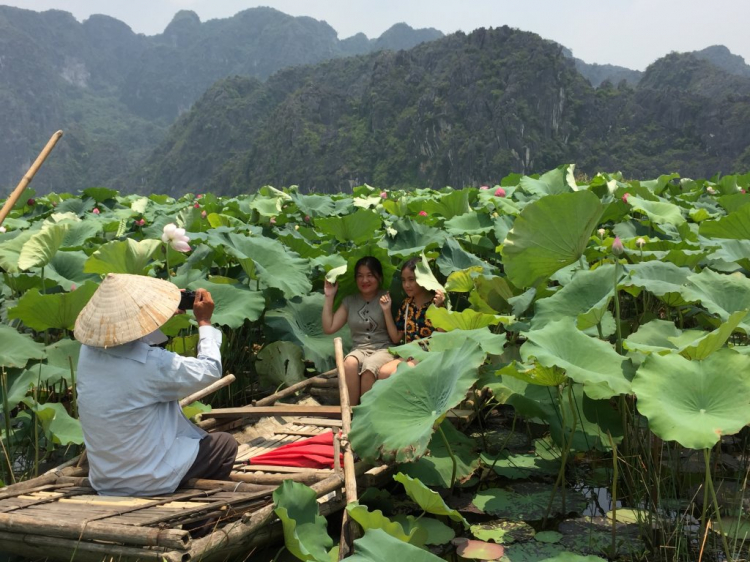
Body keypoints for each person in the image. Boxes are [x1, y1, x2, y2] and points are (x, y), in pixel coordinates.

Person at [74, 273, 238, 497]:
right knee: (225, 445)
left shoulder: (87, 354)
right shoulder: (153, 365)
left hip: (105, 478)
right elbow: (209, 370)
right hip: (150, 479)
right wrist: (204, 322)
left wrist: (160, 316)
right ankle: (199, 516)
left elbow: (128, 340)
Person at [322, 256, 400, 406]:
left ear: (379, 277)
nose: (365, 280)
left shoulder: (388, 297)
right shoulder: (349, 301)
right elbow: (329, 327)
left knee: (369, 367)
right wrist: (329, 296)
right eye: (360, 276)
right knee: (349, 363)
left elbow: (396, 336)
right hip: (359, 349)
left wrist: (387, 310)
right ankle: (350, 413)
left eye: (370, 275)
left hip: (384, 348)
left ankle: (366, 414)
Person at [378, 257, 446, 378]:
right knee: (383, 372)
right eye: (403, 280)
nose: (406, 285)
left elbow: (442, 338)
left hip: (429, 355)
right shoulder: (407, 304)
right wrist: (386, 310)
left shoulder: (437, 303)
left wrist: (439, 308)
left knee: (398, 374)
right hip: (410, 354)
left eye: (411, 280)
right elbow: (396, 338)